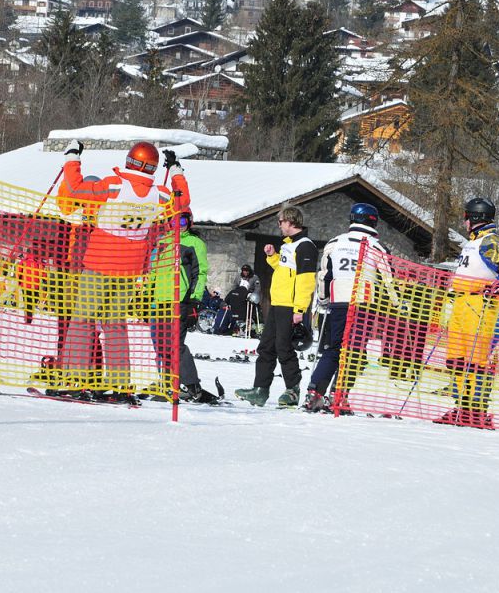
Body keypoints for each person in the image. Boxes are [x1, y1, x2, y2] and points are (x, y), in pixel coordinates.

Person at [55, 140, 191, 401]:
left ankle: (74, 379)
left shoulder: (115, 184)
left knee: (83, 320)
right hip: (130, 269)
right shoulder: (160, 194)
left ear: (131, 160)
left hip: (99, 262)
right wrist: (176, 171)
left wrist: (72, 157)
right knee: (115, 325)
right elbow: (183, 201)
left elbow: (74, 188)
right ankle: (120, 385)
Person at [434, 197, 499, 429]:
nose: (464, 222)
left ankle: (476, 410)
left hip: (480, 306)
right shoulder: (472, 243)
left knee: (476, 361)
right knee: (456, 360)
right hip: (461, 305)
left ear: (474, 218)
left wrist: (497, 289)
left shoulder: (490, 243)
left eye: (466, 217)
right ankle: (461, 407)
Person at [303, 203, 397, 412]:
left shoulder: (334, 242)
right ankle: (340, 395)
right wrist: (396, 303)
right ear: (374, 221)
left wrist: (323, 298)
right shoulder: (377, 246)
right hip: (363, 305)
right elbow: (389, 279)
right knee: (354, 351)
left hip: (338, 303)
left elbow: (324, 275)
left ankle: (314, 391)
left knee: (333, 349)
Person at [235, 205, 318, 407]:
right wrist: (272, 256)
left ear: (290, 222)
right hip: (277, 303)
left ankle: (292, 390)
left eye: (280, 222)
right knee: (266, 348)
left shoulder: (305, 246)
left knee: (284, 348)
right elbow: (283, 271)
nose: (279, 226)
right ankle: (260, 389)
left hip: (290, 306)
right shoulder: (288, 245)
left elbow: (306, 281)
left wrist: (300, 310)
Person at [147, 210, 218, 403]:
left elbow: (200, 272)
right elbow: (153, 271)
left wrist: (194, 300)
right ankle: (168, 384)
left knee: (174, 344)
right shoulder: (162, 242)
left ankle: (191, 383)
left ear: (190, 222)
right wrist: (147, 294)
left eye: (184, 220)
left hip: (180, 300)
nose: (179, 224)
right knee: (159, 344)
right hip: (159, 300)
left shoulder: (195, 243)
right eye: (175, 220)